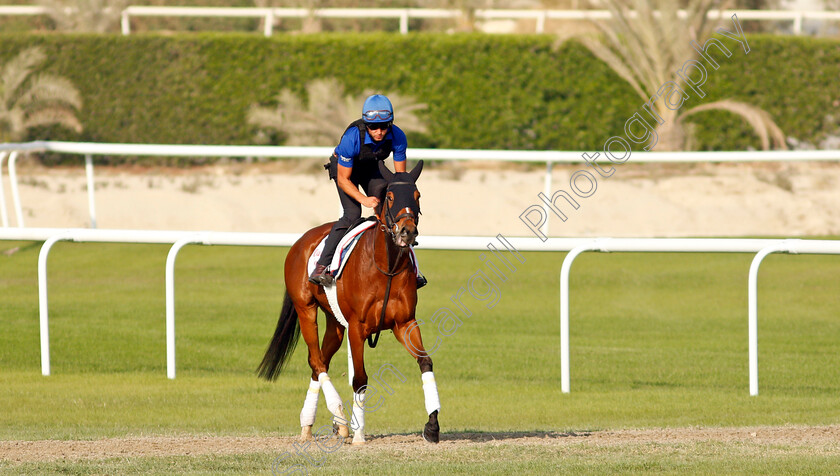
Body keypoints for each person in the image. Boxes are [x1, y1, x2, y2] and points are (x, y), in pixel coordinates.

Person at [309, 94, 427, 289]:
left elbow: (399, 179)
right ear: (366, 124)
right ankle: (322, 266)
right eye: (373, 127)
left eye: (384, 126)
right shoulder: (351, 138)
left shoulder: (398, 136)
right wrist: (363, 199)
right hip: (345, 170)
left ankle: (411, 267)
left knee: (390, 212)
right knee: (352, 214)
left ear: (390, 124)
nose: (379, 132)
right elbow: (343, 180)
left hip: (370, 167)